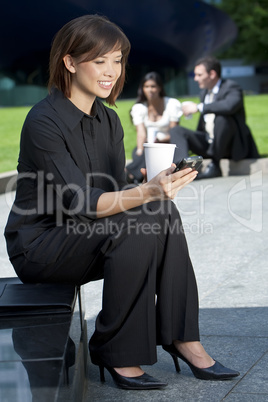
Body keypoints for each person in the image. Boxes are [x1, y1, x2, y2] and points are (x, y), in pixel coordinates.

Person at [4, 15, 239, 391]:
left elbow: (115, 189)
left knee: (160, 210)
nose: (112, 71)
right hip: (41, 245)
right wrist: (146, 193)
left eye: (118, 60)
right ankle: (115, 349)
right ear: (69, 62)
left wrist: (149, 185)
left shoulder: (109, 121)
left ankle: (183, 337)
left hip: (85, 236)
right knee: (140, 216)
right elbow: (81, 201)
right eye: (100, 61)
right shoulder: (43, 121)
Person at [170, 56, 259, 179]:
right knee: (176, 130)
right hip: (208, 143)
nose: (195, 79)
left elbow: (229, 106)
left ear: (212, 74)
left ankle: (215, 165)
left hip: (230, 145)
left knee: (222, 118)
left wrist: (199, 107)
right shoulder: (204, 93)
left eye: (199, 75)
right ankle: (184, 167)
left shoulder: (232, 87)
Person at [125, 71, 182, 183]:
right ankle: (136, 175)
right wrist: (141, 149)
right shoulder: (139, 108)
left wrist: (160, 140)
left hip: (167, 144)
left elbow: (174, 132)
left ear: (160, 88)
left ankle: (130, 174)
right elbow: (141, 133)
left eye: (153, 86)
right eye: (146, 87)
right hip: (149, 144)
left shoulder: (172, 104)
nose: (150, 90)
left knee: (153, 153)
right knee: (140, 153)